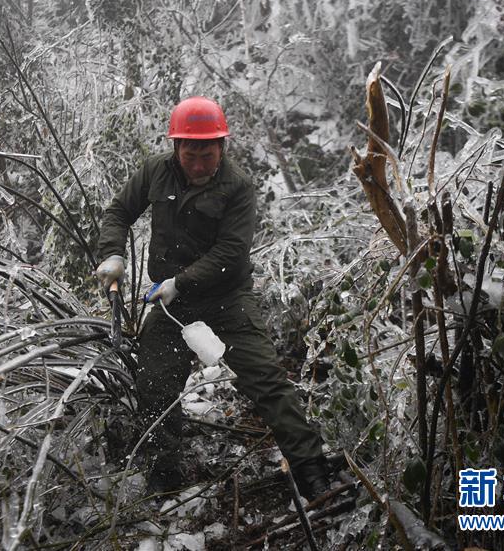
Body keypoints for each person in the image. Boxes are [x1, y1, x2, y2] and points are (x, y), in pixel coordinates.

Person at [95, 96, 331, 499]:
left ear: (222, 146)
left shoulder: (237, 187)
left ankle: (313, 473)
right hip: (172, 306)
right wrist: (113, 254)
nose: (200, 164)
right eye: (191, 155)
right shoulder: (155, 171)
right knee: (154, 384)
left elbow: (230, 252)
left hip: (227, 299)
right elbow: (118, 212)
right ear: (176, 148)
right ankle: (163, 476)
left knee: (267, 381)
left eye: (208, 154)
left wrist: (179, 283)